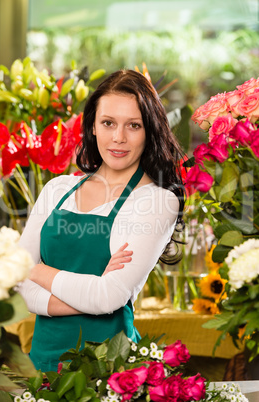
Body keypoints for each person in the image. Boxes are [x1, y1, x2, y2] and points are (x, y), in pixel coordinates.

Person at [18, 69, 185, 372]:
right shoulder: (57, 189)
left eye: (133, 125)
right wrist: (91, 294)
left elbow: (108, 296)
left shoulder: (157, 200)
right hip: (39, 368)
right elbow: (20, 285)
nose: (118, 138)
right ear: (93, 126)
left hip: (111, 375)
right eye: (108, 123)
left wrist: (36, 269)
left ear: (150, 130)